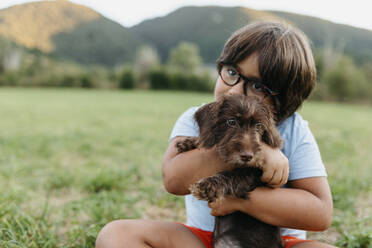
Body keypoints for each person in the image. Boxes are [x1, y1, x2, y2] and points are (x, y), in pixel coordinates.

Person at [96, 21, 335, 248]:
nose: (234, 91)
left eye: (258, 86)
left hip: (276, 243)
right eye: (232, 72)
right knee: (116, 235)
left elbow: (320, 214)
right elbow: (173, 180)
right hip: (205, 239)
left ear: (286, 100)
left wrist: (239, 200)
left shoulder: (294, 129)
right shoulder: (197, 117)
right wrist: (255, 150)